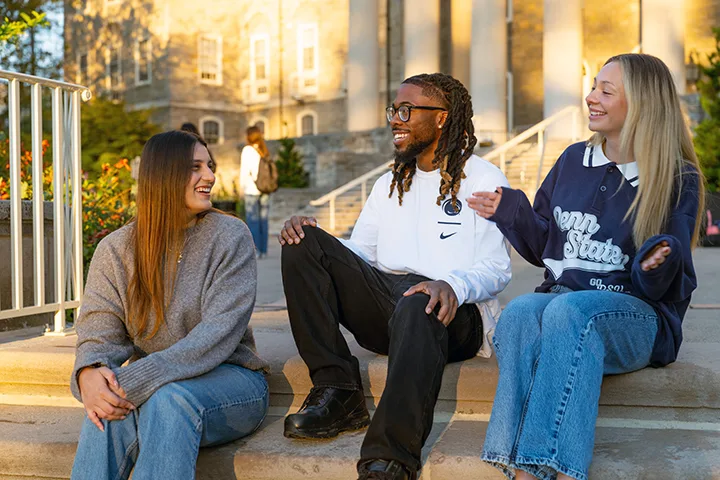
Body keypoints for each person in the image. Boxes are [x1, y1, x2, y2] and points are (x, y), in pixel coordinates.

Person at [468, 53, 705, 480]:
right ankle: (517, 465)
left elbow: (673, 282)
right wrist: (513, 210)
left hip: (636, 316)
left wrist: (656, 261)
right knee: (520, 312)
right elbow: (546, 248)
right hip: (565, 301)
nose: (590, 97)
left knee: (568, 312)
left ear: (641, 105)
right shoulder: (574, 160)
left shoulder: (676, 177)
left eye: (605, 91)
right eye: (594, 86)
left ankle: (552, 467)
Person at [279, 73, 512, 480]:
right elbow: (362, 254)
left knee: (419, 300)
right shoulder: (390, 183)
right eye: (394, 110)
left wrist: (450, 285)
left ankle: (390, 458)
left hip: (455, 313)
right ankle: (339, 391)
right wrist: (318, 241)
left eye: (407, 111)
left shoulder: (483, 178)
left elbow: (497, 268)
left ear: (442, 118)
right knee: (302, 243)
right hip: (390, 304)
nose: (395, 120)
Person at [70, 130, 269, 480]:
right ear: (163, 175)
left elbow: (217, 334)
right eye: (195, 167)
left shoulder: (230, 236)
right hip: (156, 386)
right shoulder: (116, 250)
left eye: (209, 166)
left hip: (232, 382)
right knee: (109, 410)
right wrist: (90, 374)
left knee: (167, 400)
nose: (209, 176)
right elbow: (98, 331)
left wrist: (137, 378)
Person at [240, 125, 272, 258]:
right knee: (263, 220)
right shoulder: (263, 150)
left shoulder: (247, 150)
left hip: (252, 190)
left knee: (252, 221)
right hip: (265, 190)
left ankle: (256, 250)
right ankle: (263, 250)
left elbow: (244, 171)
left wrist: (241, 188)